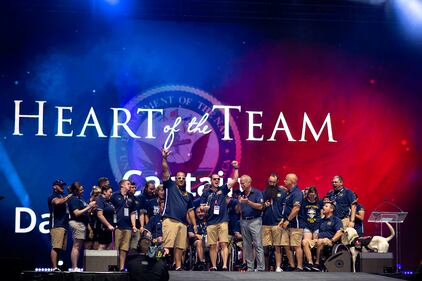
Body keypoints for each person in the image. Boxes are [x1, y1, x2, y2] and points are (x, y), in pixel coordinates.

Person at [161, 148, 197, 271]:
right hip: (170, 220)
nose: (181, 179)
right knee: (167, 245)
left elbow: (190, 211)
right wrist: (165, 158)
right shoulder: (170, 186)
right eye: (179, 178)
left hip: (183, 223)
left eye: (183, 178)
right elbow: (165, 171)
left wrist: (194, 225)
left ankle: (178, 266)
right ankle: (160, 266)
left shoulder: (188, 195)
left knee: (180, 247)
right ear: (175, 179)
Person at [200, 160, 239, 271]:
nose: (217, 181)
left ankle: (225, 265)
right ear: (211, 180)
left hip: (223, 221)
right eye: (214, 179)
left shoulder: (223, 189)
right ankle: (214, 266)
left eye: (218, 179)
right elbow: (201, 207)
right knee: (212, 245)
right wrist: (204, 208)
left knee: (223, 243)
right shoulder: (206, 193)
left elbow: (235, 180)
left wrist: (236, 169)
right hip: (211, 222)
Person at [302, 201, 343, 271]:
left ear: (331, 209)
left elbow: (340, 232)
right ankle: (310, 263)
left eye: (326, 206)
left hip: (329, 241)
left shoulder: (336, 220)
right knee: (305, 241)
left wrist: (332, 240)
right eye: (324, 206)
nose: (323, 207)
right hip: (318, 240)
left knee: (320, 241)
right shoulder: (321, 220)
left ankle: (318, 263)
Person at [237, 175, 265, 272]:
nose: (241, 185)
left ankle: (261, 268)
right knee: (246, 245)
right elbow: (238, 210)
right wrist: (239, 203)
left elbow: (260, 206)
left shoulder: (257, 193)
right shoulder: (241, 194)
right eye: (240, 183)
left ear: (249, 183)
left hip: (255, 221)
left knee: (258, 244)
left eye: (243, 183)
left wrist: (248, 202)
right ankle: (250, 267)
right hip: (244, 221)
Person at [68, 182, 96, 271]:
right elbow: (76, 213)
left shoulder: (80, 199)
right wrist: (89, 207)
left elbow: (85, 211)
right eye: (81, 190)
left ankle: (76, 266)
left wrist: (91, 207)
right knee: (76, 246)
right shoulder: (73, 199)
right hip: (77, 223)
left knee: (78, 246)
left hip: (82, 224)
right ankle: (74, 267)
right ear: (76, 191)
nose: (83, 191)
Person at [111, 179, 138, 271]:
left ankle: (122, 268)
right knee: (115, 248)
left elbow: (133, 213)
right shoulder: (114, 196)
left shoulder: (132, 198)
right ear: (122, 185)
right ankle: (114, 266)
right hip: (117, 226)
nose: (130, 186)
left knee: (124, 248)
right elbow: (109, 210)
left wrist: (134, 226)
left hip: (128, 227)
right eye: (128, 184)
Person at [261, 173, 286, 272]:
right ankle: (265, 267)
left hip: (277, 223)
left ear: (277, 182)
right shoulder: (264, 192)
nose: (272, 184)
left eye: (274, 182)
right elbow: (260, 207)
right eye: (270, 182)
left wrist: (283, 219)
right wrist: (264, 205)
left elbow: (285, 207)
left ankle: (278, 266)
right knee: (265, 248)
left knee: (277, 246)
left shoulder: (282, 192)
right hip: (265, 223)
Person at [280, 173, 304, 271]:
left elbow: (296, 209)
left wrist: (288, 220)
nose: (284, 181)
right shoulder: (288, 193)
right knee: (285, 244)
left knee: (296, 245)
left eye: (286, 179)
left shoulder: (297, 193)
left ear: (292, 181)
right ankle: (292, 265)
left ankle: (300, 266)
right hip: (286, 223)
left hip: (295, 224)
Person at [48, 179, 72, 271]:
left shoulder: (63, 196)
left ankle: (58, 267)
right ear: (54, 187)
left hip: (64, 225)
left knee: (60, 248)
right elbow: (57, 202)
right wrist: (67, 197)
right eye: (60, 185)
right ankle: (54, 267)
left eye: (63, 185)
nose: (62, 187)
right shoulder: (52, 196)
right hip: (57, 225)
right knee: (56, 247)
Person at [96, 185, 115, 250]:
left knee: (109, 245)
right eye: (110, 192)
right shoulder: (99, 199)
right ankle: (97, 260)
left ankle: (105, 260)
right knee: (102, 245)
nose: (111, 194)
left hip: (109, 228)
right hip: (102, 227)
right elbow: (100, 215)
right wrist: (108, 225)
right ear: (104, 192)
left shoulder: (108, 201)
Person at [85, 186, 101, 250]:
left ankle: (96, 260)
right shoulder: (87, 203)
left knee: (96, 246)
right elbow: (86, 217)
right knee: (88, 246)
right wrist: (90, 229)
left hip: (97, 227)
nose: (98, 196)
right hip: (89, 227)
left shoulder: (100, 203)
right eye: (96, 194)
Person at [129, 181, 143, 250]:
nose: (134, 189)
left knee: (134, 246)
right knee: (125, 246)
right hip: (128, 226)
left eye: (135, 187)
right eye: (132, 187)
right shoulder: (125, 199)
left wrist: (141, 226)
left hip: (136, 226)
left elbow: (140, 213)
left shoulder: (137, 199)